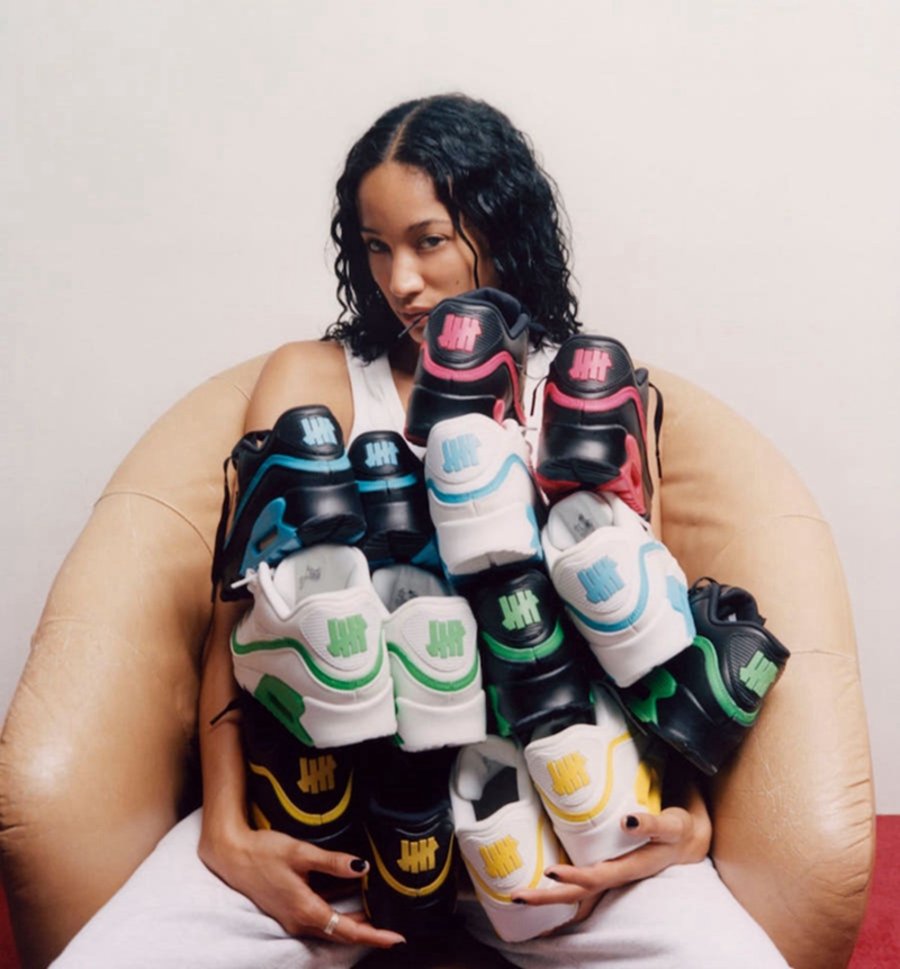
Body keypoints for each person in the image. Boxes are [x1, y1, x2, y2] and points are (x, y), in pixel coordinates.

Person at [50, 93, 787, 968]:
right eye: (375, 246)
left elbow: (648, 638)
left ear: (498, 230)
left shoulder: (589, 387)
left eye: (428, 241)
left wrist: (683, 818)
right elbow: (237, 620)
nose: (399, 280)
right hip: (337, 823)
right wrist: (227, 832)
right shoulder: (314, 378)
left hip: (557, 831)